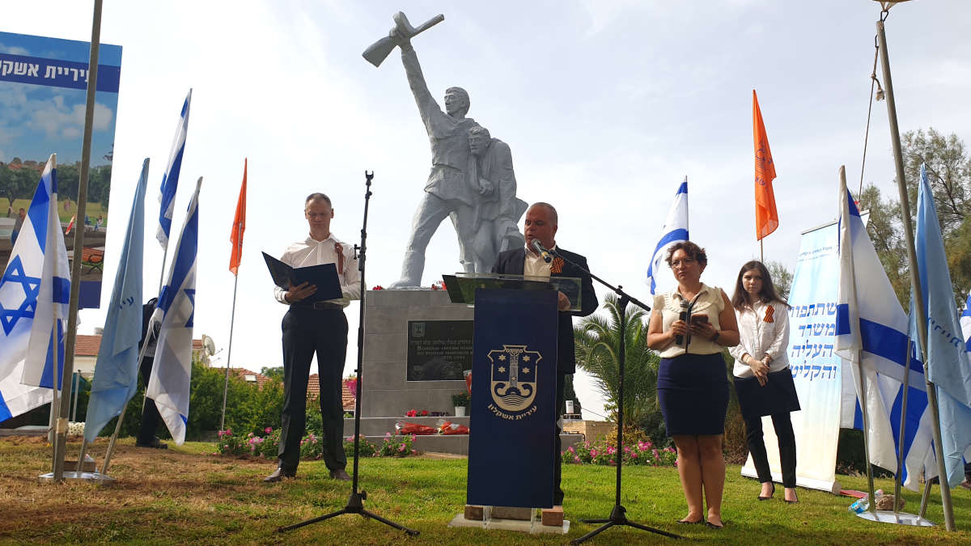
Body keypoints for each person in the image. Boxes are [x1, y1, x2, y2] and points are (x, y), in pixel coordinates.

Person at [491, 202, 598, 507]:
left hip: (552, 352)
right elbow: (490, 297)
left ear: (553, 229)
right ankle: (508, 488)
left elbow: (589, 303)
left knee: (546, 427)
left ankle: (549, 493)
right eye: (527, 223)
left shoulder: (572, 262)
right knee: (510, 422)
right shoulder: (506, 260)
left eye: (538, 223)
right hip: (509, 353)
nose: (530, 228)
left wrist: (568, 303)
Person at [264, 193, 362, 483]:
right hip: (298, 318)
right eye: (312, 214)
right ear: (305, 215)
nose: (317, 218)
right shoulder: (292, 249)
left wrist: (333, 290)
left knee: (331, 393)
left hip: (331, 318)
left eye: (322, 213)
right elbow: (277, 287)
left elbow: (359, 288)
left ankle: (336, 466)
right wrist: (287, 295)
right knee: (293, 391)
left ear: (332, 213)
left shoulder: (346, 249)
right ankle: (286, 466)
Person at [647, 241, 739, 529]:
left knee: (710, 443)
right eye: (675, 262)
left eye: (687, 260)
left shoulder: (717, 296)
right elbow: (652, 341)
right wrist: (671, 333)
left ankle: (714, 512)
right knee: (684, 445)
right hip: (673, 374)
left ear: (701, 264)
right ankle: (694, 510)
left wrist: (712, 333)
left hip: (708, 371)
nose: (680, 267)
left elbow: (733, 337)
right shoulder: (663, 299)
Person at [387, 24, 479, 286]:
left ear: (463, 103)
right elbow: (418, 85)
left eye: (452, 97)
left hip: (464, 189)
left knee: (469, 241)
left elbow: (490, 161)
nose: (447, 100)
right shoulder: (435, 119)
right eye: (446, 97)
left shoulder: (475, 128)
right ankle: (409, 278)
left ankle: (473, 283)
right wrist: (406, 48)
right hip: (438, 184)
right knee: (418, 235)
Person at [728, 261, 800, 503]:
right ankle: (766, 483)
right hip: (746, 373)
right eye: (747, 277)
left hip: (775, 370)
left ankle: (789, 486)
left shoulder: (777, 306)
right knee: (753, 431)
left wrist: (766, 360)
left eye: (757, 277)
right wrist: (751, 362)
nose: (752, 282)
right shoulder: (734, 309)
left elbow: (782, 338)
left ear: (764, 280)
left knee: (783, 429)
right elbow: (732, 342)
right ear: (741, 280)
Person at [465, 126, 527, 273]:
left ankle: (505, 277)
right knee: (482, 246)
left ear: (486, 142)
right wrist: (480, 180)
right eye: (471, 141)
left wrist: (507, 215)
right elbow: (471, 179)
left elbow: (508, 181)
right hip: (483, 210)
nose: (473, 143)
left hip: (501, 208)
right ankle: (487, 275)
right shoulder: (472, 156)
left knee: (504, 241)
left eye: (477, 140)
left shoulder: (500, 149)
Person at [135, 298, 167, 449]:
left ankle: (146, 436)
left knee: (153, 395)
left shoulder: (149, 307)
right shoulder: (163, 310)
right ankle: (145, 438)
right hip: (153, 357)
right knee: (155, 396)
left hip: (141, 354)